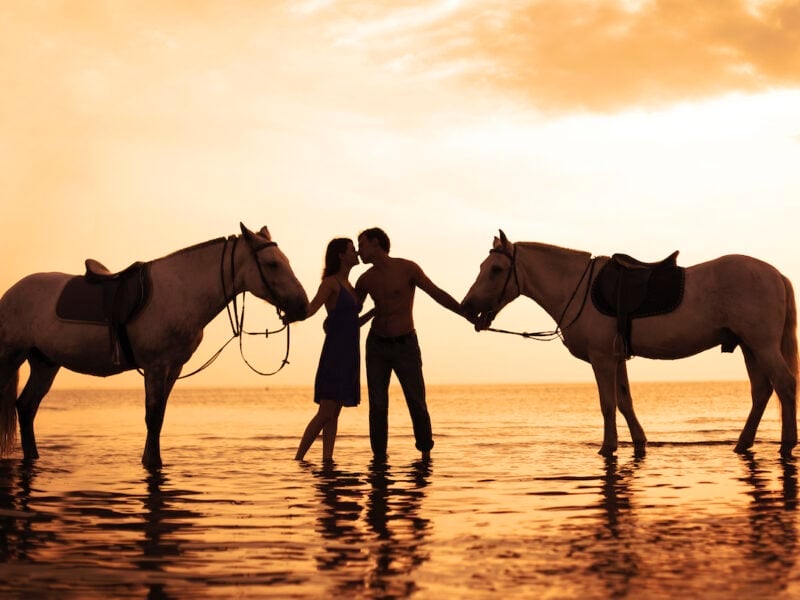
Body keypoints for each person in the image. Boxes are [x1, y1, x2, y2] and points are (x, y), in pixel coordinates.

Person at [355, 227, 472, 461]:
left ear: (375, 243)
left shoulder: (407, 268)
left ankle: (425, 454)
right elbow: (350, 314)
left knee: (416, 400)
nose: (359, 251)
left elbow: (437, 294)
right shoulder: (365, 279)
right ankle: (379, 459)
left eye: (362, 244)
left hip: (405, 344)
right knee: (377, 405)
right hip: (377, 345)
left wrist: (468, 315)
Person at [294, 238, 373, 462]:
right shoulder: (331, 283)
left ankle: (327, 460)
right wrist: (292, 314)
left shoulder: (350, 285)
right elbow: (311, 309)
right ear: (341, 255)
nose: (356, 252)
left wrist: (374, 313)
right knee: (326, 412)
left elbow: (352, 322)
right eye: (351, 249)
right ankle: (298, 458)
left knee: (334, 413)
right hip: (335, 353)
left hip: (350, 354)